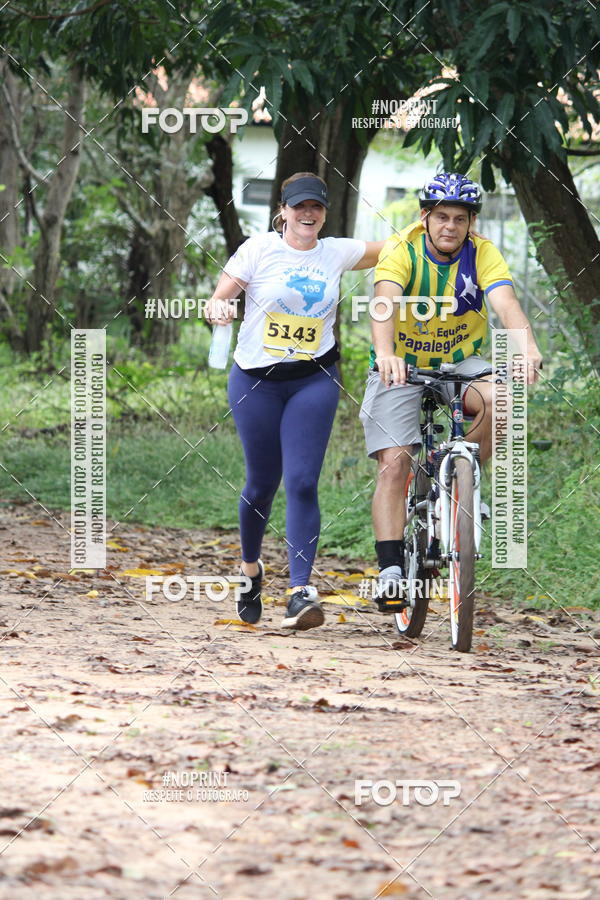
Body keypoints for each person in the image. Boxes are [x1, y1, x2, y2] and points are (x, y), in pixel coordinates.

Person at [207, 172, 385, 630]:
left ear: (324, 214)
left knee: (303, 481)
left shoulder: (337, 251)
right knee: (260, 484)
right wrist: (221, 307)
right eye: (299, 206)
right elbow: (219, 296)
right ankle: (250, 571)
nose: (308, 214)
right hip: (255, 381)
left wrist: (445, 228)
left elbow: (395, 249)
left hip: (315, 378)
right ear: (282, 211)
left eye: (317, 207)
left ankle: (301, 591)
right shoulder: (258, 249)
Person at [359, 172, 543, 607]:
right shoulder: (401, 249)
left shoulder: (482, 254)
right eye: (441, 216)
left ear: (470, 223)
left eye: (460, 219)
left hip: (461, 361)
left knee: (506, 402)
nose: (450, 226)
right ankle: (389, 571)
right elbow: (383, 302)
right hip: (402, 363)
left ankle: (460, 474)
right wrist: (386, 354)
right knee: (394, 463)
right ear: (425, 217)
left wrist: (528, 348)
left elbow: (504, 303)